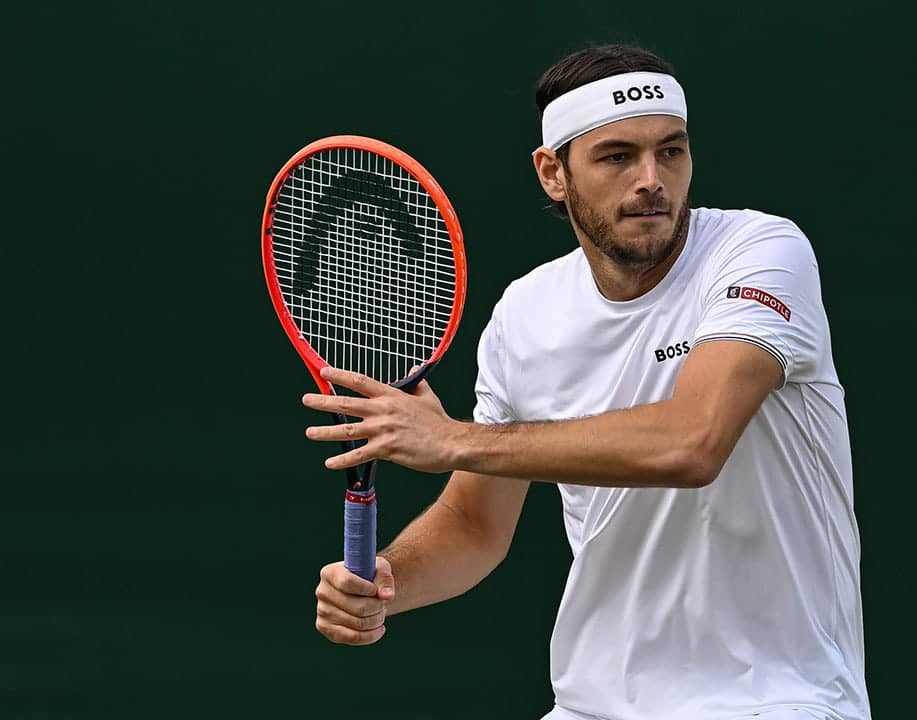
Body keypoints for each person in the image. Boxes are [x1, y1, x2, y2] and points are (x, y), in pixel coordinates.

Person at [303, 44, 870, 720]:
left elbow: (693, 442)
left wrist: (456, 439)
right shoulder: (526, 313)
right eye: (617, 156)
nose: (652, 180)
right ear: (552, 172)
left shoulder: (762, 253)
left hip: (775, 700)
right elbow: (474, 524)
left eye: (671, 151)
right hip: (591, 706)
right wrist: (388, 580)